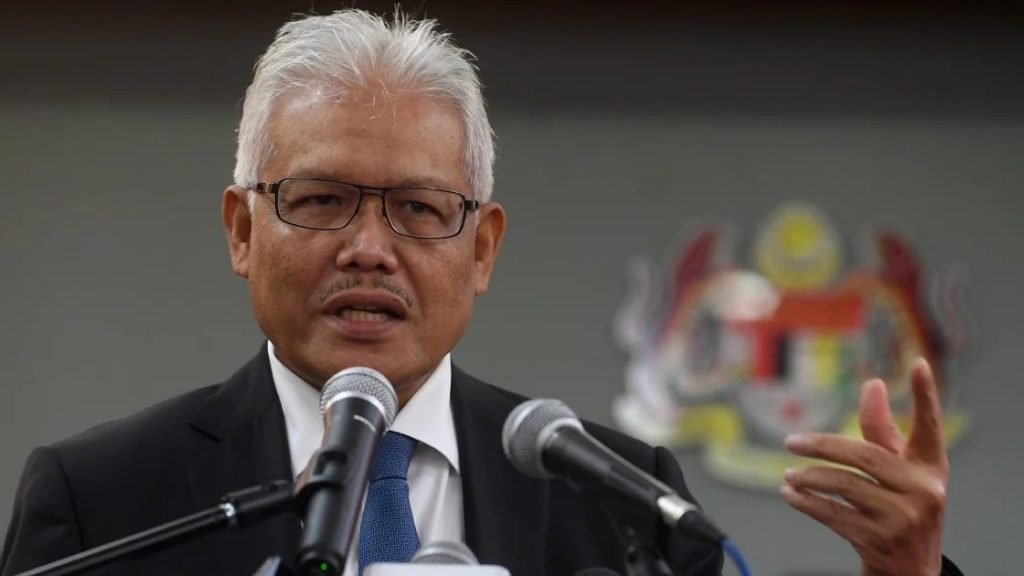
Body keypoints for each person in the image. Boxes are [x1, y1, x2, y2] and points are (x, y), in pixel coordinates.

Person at [1, 9, 960, 576]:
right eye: (322, 200)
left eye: (420, 209)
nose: (369, 250)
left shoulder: (618, 500)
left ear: (483, 249)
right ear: (243, 231)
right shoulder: (104, 501)